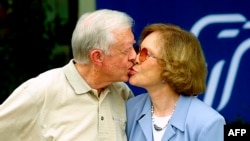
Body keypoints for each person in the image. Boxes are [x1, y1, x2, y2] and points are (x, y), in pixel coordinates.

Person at [0, 9, 136, 141]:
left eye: (133, 47)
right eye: (126, 51)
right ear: (97, 56)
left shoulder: (122, 93)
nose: (134, 56)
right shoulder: (42, 91)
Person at [126, 23, 226, 141]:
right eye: (138, 51)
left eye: (145, 54)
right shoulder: (129, 109)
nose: (135, 59)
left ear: (172, 64)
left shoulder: (208, 122)